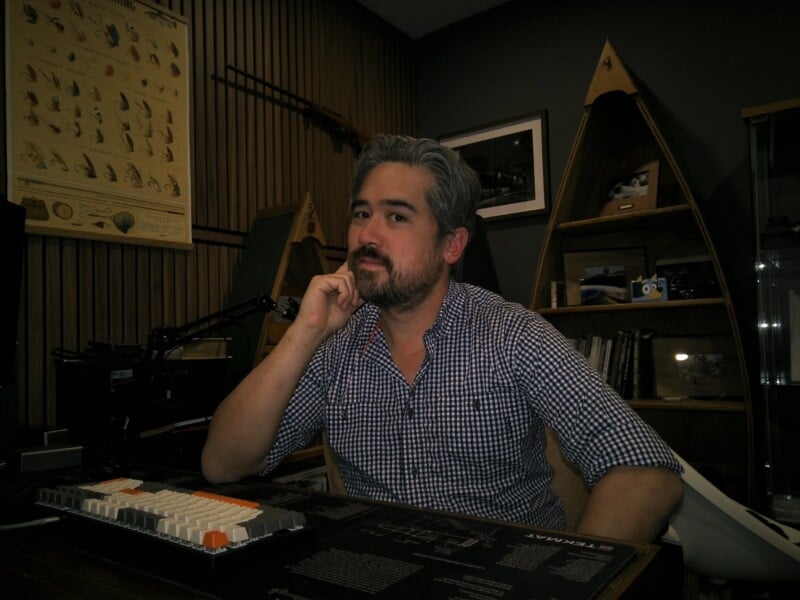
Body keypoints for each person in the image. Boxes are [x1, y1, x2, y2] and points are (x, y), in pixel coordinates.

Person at [201, 134, 683, 544]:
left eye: (396, 217)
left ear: (451, 245)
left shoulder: (513, 334)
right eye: (361, 213)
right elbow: (222, 464)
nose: (366, 235)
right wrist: (303, 336)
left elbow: (645, 473)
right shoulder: (334, 348)